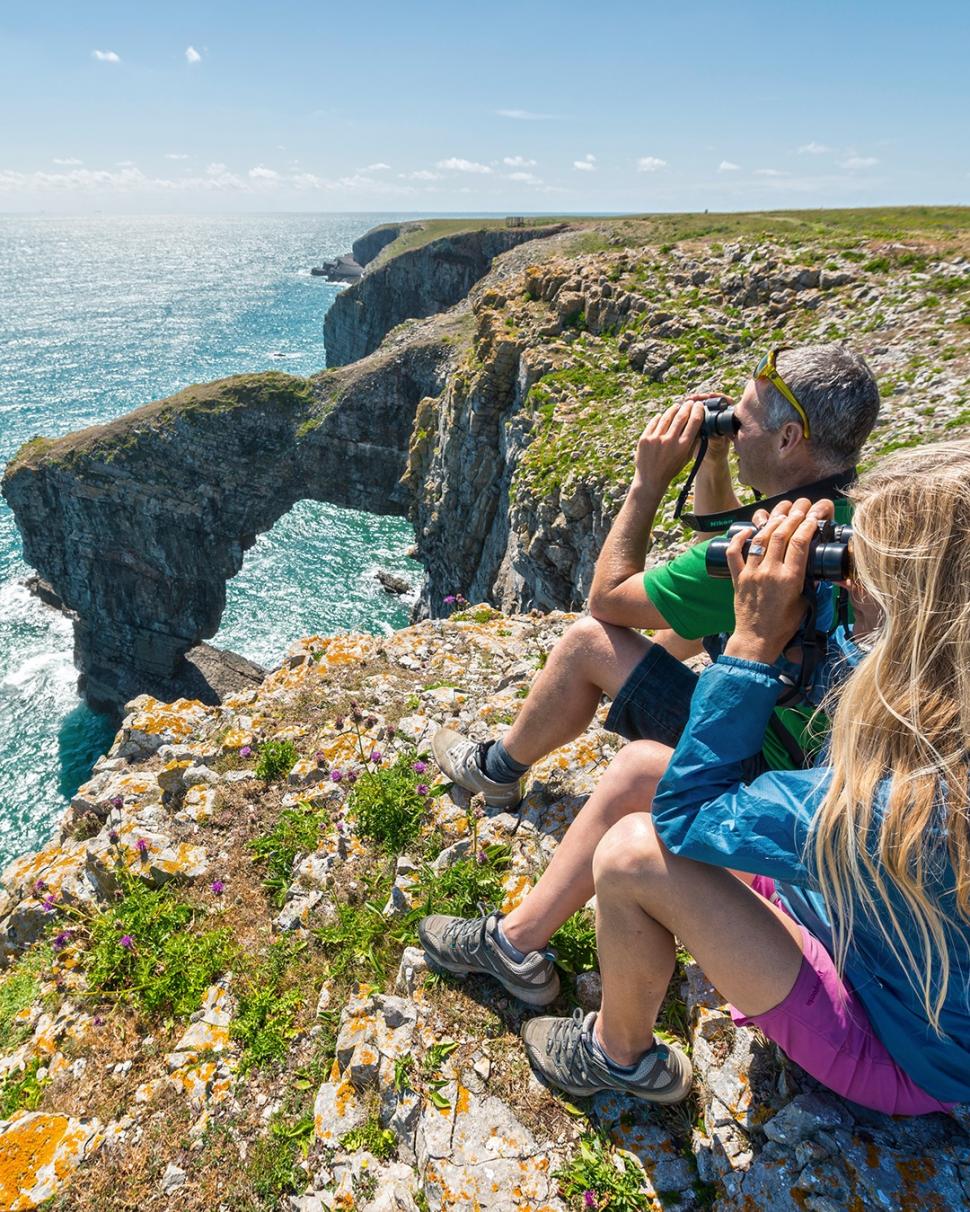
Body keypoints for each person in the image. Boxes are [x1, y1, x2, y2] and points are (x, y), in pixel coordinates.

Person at [508, 441, 970, 1114]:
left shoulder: (911, 799)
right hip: (864, 926)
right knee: (644, 765)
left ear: (919, 612)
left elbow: (688, 816)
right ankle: (517, 943)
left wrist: (753, 641)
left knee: (636, 855)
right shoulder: (942, 701)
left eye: (865, 574)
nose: (852, 587)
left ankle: (619, 1055)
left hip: (902, 1045)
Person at [420, 346, 879, 1009]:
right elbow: (711, 600)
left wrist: (648, 481)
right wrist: (716, 458)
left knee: (587, 642)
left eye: (740, 422)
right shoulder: (849, 523)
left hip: (762, 764)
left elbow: (608, 598)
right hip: (814, 762)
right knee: (681, 628)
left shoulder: (769, 552)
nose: (730, 428)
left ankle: (496, 767)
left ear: (788, 438)